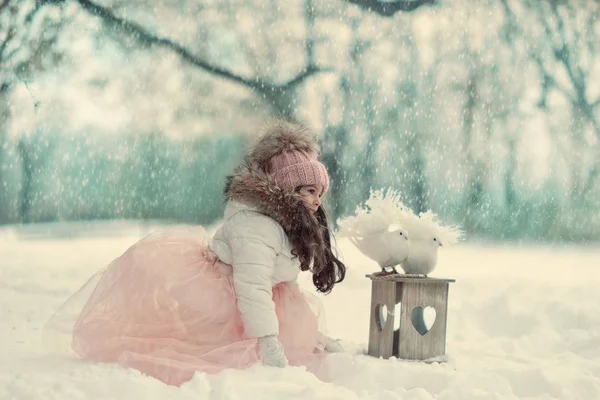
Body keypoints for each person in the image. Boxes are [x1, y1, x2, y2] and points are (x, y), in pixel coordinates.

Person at [47, 118, 347, 386]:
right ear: (287, 188)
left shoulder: (289, 225)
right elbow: (252, 287)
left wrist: (308, 333)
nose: (317, 201)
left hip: (258, 296)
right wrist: (269, 341)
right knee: (214, 351)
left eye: (320, 193)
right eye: (310, 191)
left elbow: (285, 282)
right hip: (227, 295)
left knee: (273, 318)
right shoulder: (256, 227)